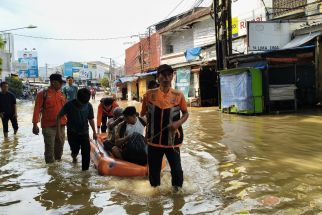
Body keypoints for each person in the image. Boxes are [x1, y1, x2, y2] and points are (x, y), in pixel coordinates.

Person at [141, 64, 189, 191]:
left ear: (172, 76)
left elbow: (186, 113)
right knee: (154, 171)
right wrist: (145, 127)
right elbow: (143, 115)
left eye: (169, 75)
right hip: (153, 141)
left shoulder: (179, 95)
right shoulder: (148, 95)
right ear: (158, 77)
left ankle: (177, 193)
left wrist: (177, 124)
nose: (166, 78)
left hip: (172, 141)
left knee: (177, 170)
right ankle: (155, 194)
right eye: (163, 75)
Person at [56, 88, 97, 170]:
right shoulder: (69, 105)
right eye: (81, 103)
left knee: (86, 153)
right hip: (72, 132)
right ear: (77, 98)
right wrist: (58, 132)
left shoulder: (88, 105)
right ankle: (74, 157)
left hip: (84, 132)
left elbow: (91, 119)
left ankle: (85, 175)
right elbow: (59, 116)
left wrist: (94, 132)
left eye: (84, 103)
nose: (82, 105)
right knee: (75, 151)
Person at [32, 74, 67, 164]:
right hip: (48, 127)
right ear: (53, 82)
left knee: (60, 148)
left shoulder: (61, 94)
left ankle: (57, 167)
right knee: (49, 150)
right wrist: (35, 124)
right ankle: (51, 170)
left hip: (61, 126)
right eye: (60, 83)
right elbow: (37, 109)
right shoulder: (42, 94)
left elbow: (66, 110)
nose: (61, 85)